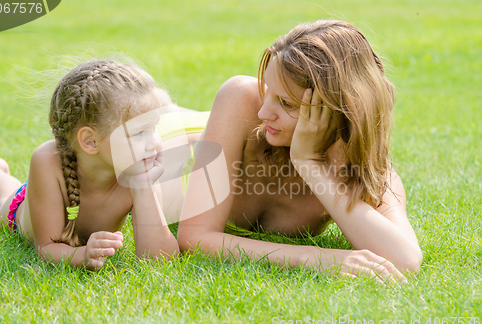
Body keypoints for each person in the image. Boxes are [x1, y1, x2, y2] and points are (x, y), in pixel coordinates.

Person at [177, 20, 422, 282]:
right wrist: (315, 257)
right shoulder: (243, 102)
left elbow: (405, 260)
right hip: (177, 139)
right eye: (268, 90)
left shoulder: (362, 175)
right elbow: (194, 237)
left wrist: (310, 163)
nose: (264, 112)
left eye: (286, 103)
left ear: (338, 109)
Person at [0, 60, 180, 270]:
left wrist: (144, 187)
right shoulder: (47, 161)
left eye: (154, 127)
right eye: (139, 133)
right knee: (3, 194)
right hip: (21, 209)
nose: (155, 143)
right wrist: (83, 255)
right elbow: (46, 247)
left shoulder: (137, 169)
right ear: (90, 141)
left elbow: (160, 260)